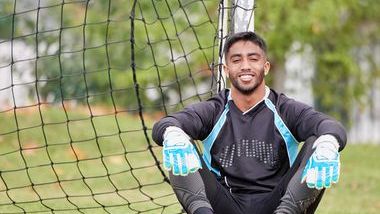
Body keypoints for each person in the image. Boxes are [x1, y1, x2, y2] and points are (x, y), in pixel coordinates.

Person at [152, 31, 347, 214]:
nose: (245, 65)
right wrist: (172, 134)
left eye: (253, 59)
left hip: (278, 205)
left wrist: (329, 142)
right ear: (227, 70)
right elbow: (168, 123)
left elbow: (330, 125)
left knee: (319, 142)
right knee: (177, 141)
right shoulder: (215, 109)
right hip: (223, 205)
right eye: (237, 60)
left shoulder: (285, 109)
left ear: (266, 67)